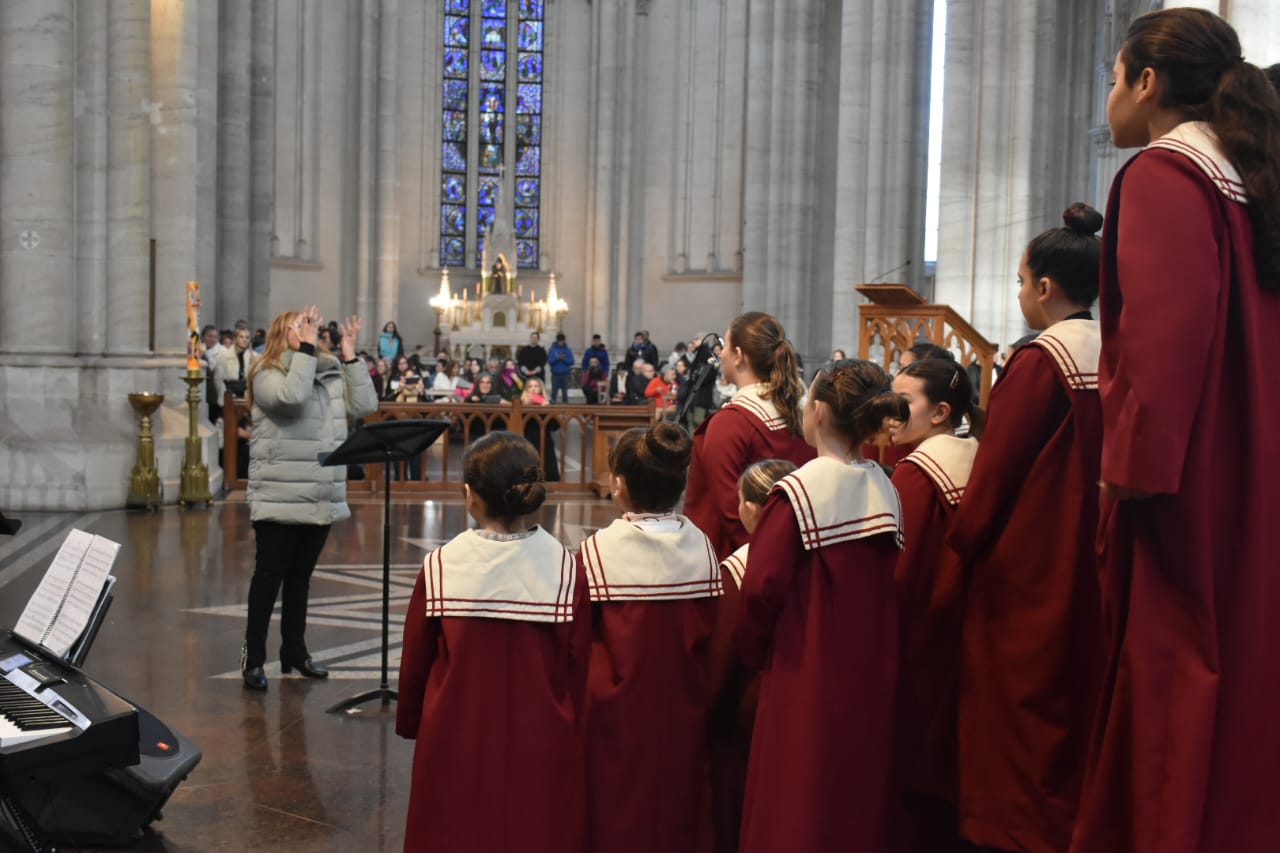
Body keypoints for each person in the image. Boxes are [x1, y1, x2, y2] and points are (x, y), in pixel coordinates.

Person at [1071, 10, 1280, 853]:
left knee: (1173, 685)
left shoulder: (1164, 175)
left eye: (1113, 78)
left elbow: (1163, 338)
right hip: (1251, 463)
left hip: (1185, 488)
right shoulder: (1249, 174)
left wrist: (1127, 476)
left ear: (1147, 83)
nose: (1110, 97)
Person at [946, 204, 1106, 853]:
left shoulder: (1040, 362)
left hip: (1029, 574)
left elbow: (995, 474)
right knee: (1077, 712)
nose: (1018, 294)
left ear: (1045, 287)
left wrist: (961, 542)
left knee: (1017, 723)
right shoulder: (1114, 351)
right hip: (1095, 562)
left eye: (1019, 281)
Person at [735, 359, 908, 853]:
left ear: (816, 412)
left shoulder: (798, 491)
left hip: (805, 666)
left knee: (798, 794)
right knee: (854, 791)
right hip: (872, 666)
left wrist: (752, 651)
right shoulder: (885, 485)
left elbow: (762, 587)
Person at [396, 432, 591, 853]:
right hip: (542, 729)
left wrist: (413, 721)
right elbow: (578, 661)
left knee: (454, 826)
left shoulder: (442, 566)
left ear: (470, 496)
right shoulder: (565, 566)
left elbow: (415, 661)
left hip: (454, 729)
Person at [579, 422, 721, 853]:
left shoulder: (598, 553)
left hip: (614, 717)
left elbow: (576, 642)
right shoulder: (703, 548)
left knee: (615, 810)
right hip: (685, 707)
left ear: (618, 484)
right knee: (678, 804)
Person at [241, 306, 378, 691]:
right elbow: (292, 398)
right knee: (268, 579)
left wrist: (349, 356)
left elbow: (365, 406)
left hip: (319, 491)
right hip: (279, 494)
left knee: (300, 580)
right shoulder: (265, 372)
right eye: (298, 327)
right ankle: (253, 658)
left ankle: (295, 653)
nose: (308, 332)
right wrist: (306, 351)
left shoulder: (330, 372)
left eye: (311, 328)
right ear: (279, 334)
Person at [886, 358, 983, 853]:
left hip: (920, 636)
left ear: (942, 412)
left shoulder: (916, 474)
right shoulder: (973, 455)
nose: (891, 411)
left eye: (904, 403)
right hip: (967, 633)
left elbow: (898, 576)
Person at [707, 457, 797, 853]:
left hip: (749, 705)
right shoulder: (814, 556)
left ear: (750, 509)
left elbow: (723, 659)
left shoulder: (740, 570)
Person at [684, 312, 815, 561]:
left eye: (726, 345)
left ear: (739, 356)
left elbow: (733, 514)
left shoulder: (731, 423)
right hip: (800, 553)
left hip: (742, 564)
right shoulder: (800, 414)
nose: (720, 354)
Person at [520, 378, 560, 482]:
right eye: (530, 386)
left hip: (544, 442)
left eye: (536, 386)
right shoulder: (519, 404)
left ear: (541, 389)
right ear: (526, 389)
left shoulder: (548, 403)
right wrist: (524, 407)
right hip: (526, 441)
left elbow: (556, 426)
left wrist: (547, 409)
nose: (533, 389)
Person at [547, 332, 574, 403]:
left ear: (564, 341)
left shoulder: (568, 350)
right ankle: (552, 407)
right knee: (554, 391)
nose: (561, 342)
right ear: (557, 341)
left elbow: (571, 361)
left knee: (565, 391)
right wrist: (558, 358)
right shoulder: (552, 350)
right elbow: (550, 361)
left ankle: (565, 406)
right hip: (555, 374)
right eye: (559, 341)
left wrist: (564, 359)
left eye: (562, 341)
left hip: (565, 374)